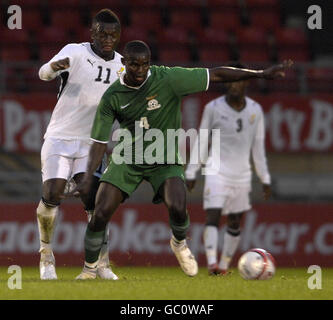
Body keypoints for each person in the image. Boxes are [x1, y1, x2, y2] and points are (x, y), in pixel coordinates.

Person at [71, 40, 292, 279]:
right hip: (128, 158)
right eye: (134, 65)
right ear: (124, 63)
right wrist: (87, 176)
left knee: (177, 206)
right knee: (101, 212)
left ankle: (179, 243)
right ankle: (89, 269)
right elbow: (99, 143)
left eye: (145, 64)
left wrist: (259, 73)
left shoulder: (169, 79)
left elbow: (216, 74)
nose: (140, 70)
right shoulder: (112, 96)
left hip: (164, 158)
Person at [37, 9, 123, 280]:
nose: (107, 39)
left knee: (94, 201)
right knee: (52, 193)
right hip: (60, 137)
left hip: (91, 143)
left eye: (112, 34)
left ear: (118, 36)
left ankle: (102, 263)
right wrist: (53, 67)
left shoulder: (122, 65)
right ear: (92, 33)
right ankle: (46, 255)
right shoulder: (75, 51)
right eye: (102, 34)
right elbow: (42, 74)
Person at [185, 62, 272, 275]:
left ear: (245, 83)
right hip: (216, 171)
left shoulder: (255, 110)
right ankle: (213, 263)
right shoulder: (213, 108)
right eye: (230, 81)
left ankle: (224, 265)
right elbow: (202, 139)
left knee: (234, 222)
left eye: (239, 81)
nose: (234, 85)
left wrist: (265, 177)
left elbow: (258, 147)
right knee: (212, 216)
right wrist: (191, 170)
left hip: (242, 175)